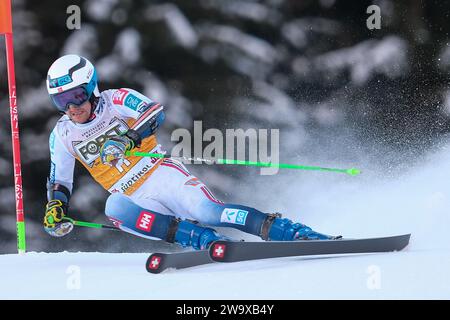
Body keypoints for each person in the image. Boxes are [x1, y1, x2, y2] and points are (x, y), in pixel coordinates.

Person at [43, 54, 338, 250]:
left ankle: (294, 234)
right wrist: (56, 207)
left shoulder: (116, 100)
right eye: (62, 102)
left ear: (92, 88)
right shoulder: (63, 134)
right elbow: (60, 182)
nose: (72, 107)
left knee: (208, 211)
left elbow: (154, 112)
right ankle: (207, 243)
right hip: (134, 198)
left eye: (77, 96)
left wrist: (129, 139)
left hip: (160, 175)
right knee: (114, 208)